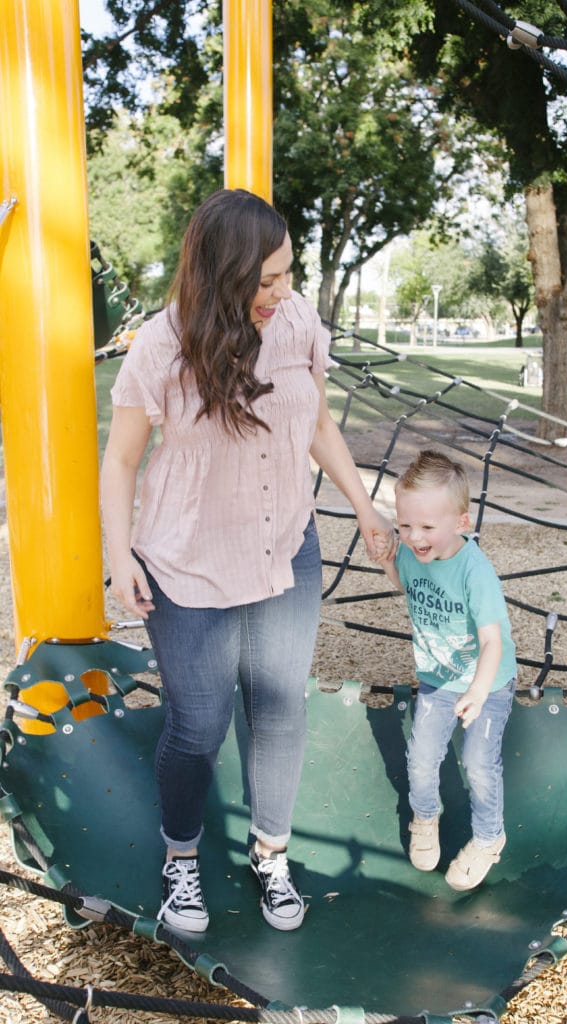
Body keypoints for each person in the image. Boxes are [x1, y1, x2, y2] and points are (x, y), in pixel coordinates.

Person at [100, 188, 394, 934]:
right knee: (199, 724)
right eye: (265, 280)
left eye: (287, 273)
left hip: (284, 547)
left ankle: (272, 856)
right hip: (187, 560)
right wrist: (118, 553)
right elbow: (122, 459)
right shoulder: (161, 346)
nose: (282, 291)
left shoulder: (295, 322)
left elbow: (316, 421)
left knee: (278, 709)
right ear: (222, 274)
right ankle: (181, 861)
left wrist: (362, 504)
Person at [376, 449, 517, 890]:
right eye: (405, 525)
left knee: (478, 763)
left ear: (461, 523)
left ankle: (490, 838)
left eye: (426, 527)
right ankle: (425, 816)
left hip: (487, 683)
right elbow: (407, 583)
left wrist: (476, 692)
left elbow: (492, 640)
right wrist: (385, 557)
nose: (414, 537)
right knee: (421, 759)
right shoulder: (413, 554)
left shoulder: (476, 572)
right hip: (437, 679)